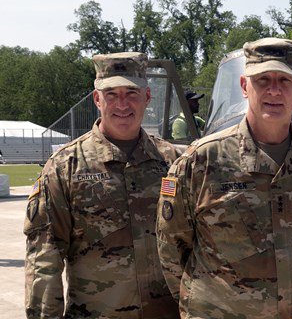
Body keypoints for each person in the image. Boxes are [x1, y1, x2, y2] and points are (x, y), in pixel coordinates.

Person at [157, 37, 292, 318]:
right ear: (245, 86)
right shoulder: (203, 160)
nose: (274, 90)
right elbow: (172, 247)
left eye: (284, 81)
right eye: (263, 80)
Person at [24, 52, 180, 318]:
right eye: (111, 94)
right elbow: (44, 257)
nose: (122, 104)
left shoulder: (173, 161)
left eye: (131, 92)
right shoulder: (65, 166)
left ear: (147, 97)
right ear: (97, 99)